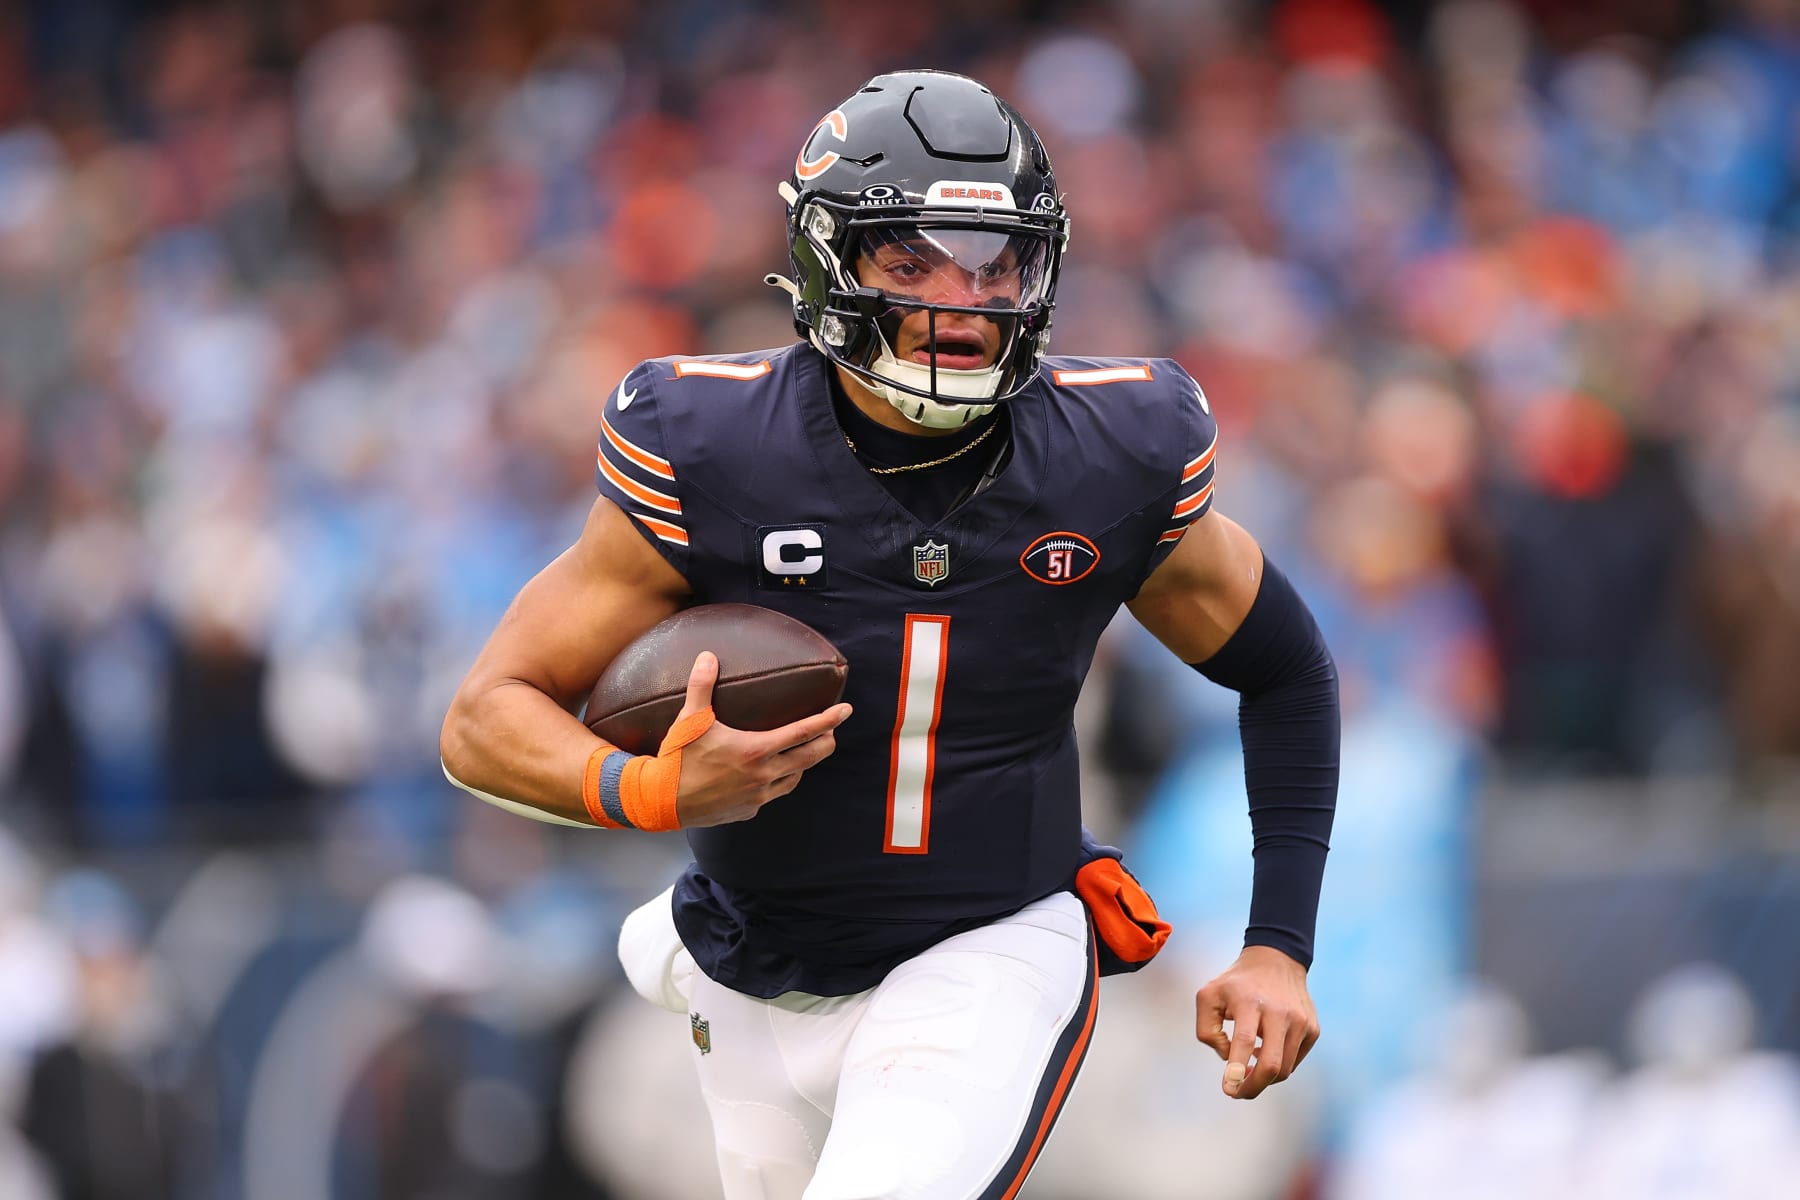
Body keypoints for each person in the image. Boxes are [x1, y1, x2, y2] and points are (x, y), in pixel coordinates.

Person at [441, 69, 1339, 1200]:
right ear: (831, 262)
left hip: (990, 947)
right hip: (753, 972)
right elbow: (483, 718)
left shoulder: (1116, 450)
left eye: (994, 262)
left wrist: (1279, 944)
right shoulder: (713, 444)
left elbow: (1288, 669)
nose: (961, 301)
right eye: (911, 261)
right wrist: (649, 791)